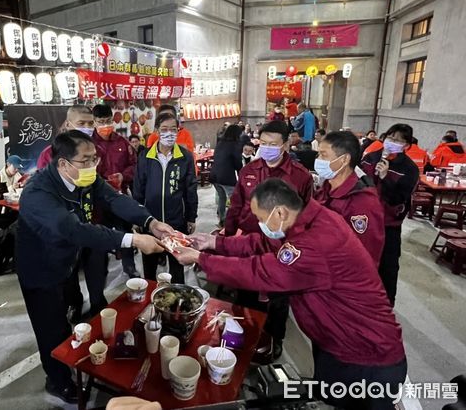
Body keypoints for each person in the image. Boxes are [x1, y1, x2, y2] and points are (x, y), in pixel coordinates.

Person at [174, 179, 407, 410]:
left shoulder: (315, 243)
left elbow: (260, 272)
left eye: (261, 218)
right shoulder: (310, 220)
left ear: (280, 213)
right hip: (337, 341)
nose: (259, 223)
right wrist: (215, 242)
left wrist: (200, 259)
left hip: (366, 356)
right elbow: (263, 243)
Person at [16, 131, 173, 404]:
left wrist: (149, 222)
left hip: (66, 262)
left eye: (94, 158)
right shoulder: (37, 193)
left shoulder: (83, 177)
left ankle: (74, 357)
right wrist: (133, 239)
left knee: (68, 320)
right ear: (63, 163)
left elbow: (113, 199)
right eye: (86, 160)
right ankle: (58, 381)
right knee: (49, 328)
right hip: (40, 269)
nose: (93, 166)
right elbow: (74, 230)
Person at [225, 120, 313, 358]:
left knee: (277, 300)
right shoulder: (249, 171)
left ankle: (274, 343)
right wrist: (229, 235)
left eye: (272, 144)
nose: (266, 149)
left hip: (280, 249)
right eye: (262, 143)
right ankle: (245, 338)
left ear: (285, 145)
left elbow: (306, 217)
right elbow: (236, 205)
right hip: (248, 246)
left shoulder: (300, 177)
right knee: (245, 295)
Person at [133, 112, 198, 284]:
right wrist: (138, 218)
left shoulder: (185, 157)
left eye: (173, 130)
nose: (169, 134)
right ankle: (149, 300)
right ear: (156, 131)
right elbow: (138, 189)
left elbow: (191, 189)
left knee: (177, 265)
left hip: (176, 222)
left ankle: (179, 304)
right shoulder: (145, 156)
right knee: (150, 267)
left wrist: (191, 217)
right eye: (164, 129)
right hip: (150, 221)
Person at [362, 124, 420, 306]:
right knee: (361, 261)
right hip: (364, 222)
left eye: (398, 140)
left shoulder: (409, 169)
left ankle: (385, 305)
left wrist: (386, 177)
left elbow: (400, 199)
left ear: (406, 145)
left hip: (388, 226)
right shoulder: (369, 159)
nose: (392, 142)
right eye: (390, 137)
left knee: (387, 267)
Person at [314, 131, 385, 264]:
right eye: (318, 154)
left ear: (345, 159)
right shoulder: (326, 188)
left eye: (323, 155)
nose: (318, 160)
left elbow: (365, 255)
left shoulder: (363, 203)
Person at [92, 103, 140, 279]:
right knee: (100, 237)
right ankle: (100, 271)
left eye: (107, 121)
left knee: (125, 233)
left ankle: (130, 267)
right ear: (94, 122)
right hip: (97, 201)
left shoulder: (122, 142)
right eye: (100, 121)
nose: (105, 125)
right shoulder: (88, 144)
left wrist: (123, 175)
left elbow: (135, 165)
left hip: (119, 198)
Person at [36, 105, 95, 170]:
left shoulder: (97, 150)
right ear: (67, 124)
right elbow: (42, 178)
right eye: (81, 123)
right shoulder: (50, 153)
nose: (87, 127)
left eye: (91, 123)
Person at [210, 124, 244, 228]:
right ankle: (232, 222)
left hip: (215, 175)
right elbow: (237, 162)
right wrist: (241, 173)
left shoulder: (220, 142)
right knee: (235, 199)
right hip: (226, 177)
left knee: (222, 198)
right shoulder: (234, 144)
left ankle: (222, 220)